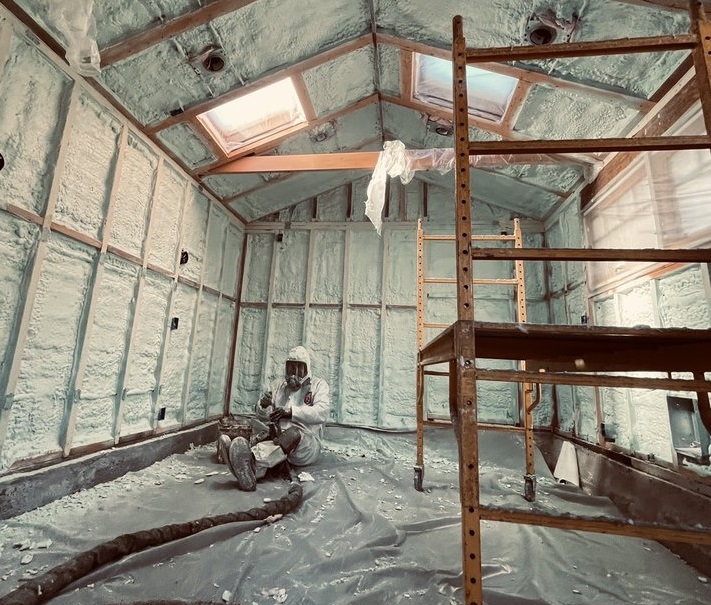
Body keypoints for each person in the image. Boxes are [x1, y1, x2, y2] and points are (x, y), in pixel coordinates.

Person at [218, 345, 330, 491]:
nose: (293, 373)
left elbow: (322, 412)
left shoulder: (318, 386)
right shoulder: (278, 386)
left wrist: (290, 412)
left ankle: (252, 462)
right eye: (290, 368)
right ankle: (246, 470)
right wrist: (263, 406)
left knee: (293, 433)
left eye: (298, 368)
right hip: (277, 441)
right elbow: (262, 416)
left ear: (306, 369)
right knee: (265, 431)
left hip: (305, 445)